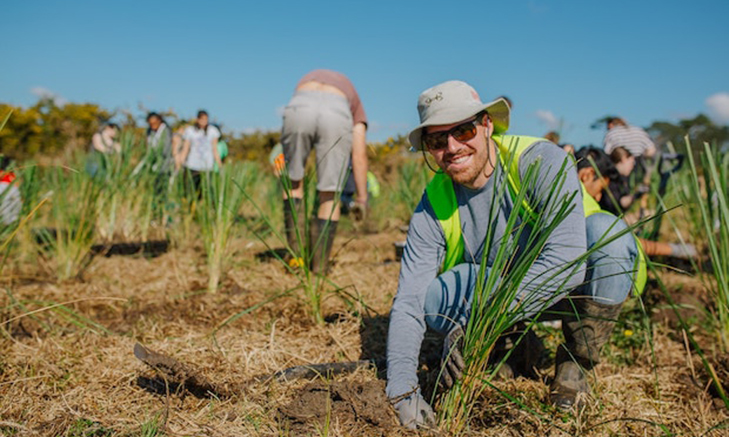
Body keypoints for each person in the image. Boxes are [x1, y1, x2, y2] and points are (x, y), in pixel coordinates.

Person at [387, 81, 641, 429]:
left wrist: (484, 321)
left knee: (608, 236)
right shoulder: (433, 203)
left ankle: (574, 365)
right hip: (506, 292)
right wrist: (402, 390)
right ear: (429, 149)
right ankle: (513, 346)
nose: (452, 147)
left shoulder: (538, 160)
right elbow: (410, 302)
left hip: (581, 285)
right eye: (437, 140)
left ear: (487, 124)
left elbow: (567, 262)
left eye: (464, 129)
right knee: (433, 297)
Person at [280, 69, 369, 274]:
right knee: (330, 193)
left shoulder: (309, 77)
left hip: (300, 104)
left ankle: (296, 261)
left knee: (293, 183)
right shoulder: (352, 96)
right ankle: (320, 266)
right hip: (336, 111)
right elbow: (359, 154)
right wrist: (362, 198)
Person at [577, 147, 696, 260]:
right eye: (601, 189)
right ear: (587, 175)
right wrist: (674, 250)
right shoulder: (583, 204)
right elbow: (620, 242)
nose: (598, 198)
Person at [176, 110, 223, 193]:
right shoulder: (190, 131)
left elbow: (214, 148)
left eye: (206, 119)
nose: (204, 121)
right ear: (197, 119)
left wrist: (219, 163)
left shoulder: (213, 131)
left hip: (207, 166)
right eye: (202, 119)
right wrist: (181, 161)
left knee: (206, 190)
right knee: (191, 189)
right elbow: (186, 148)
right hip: (193, 165)